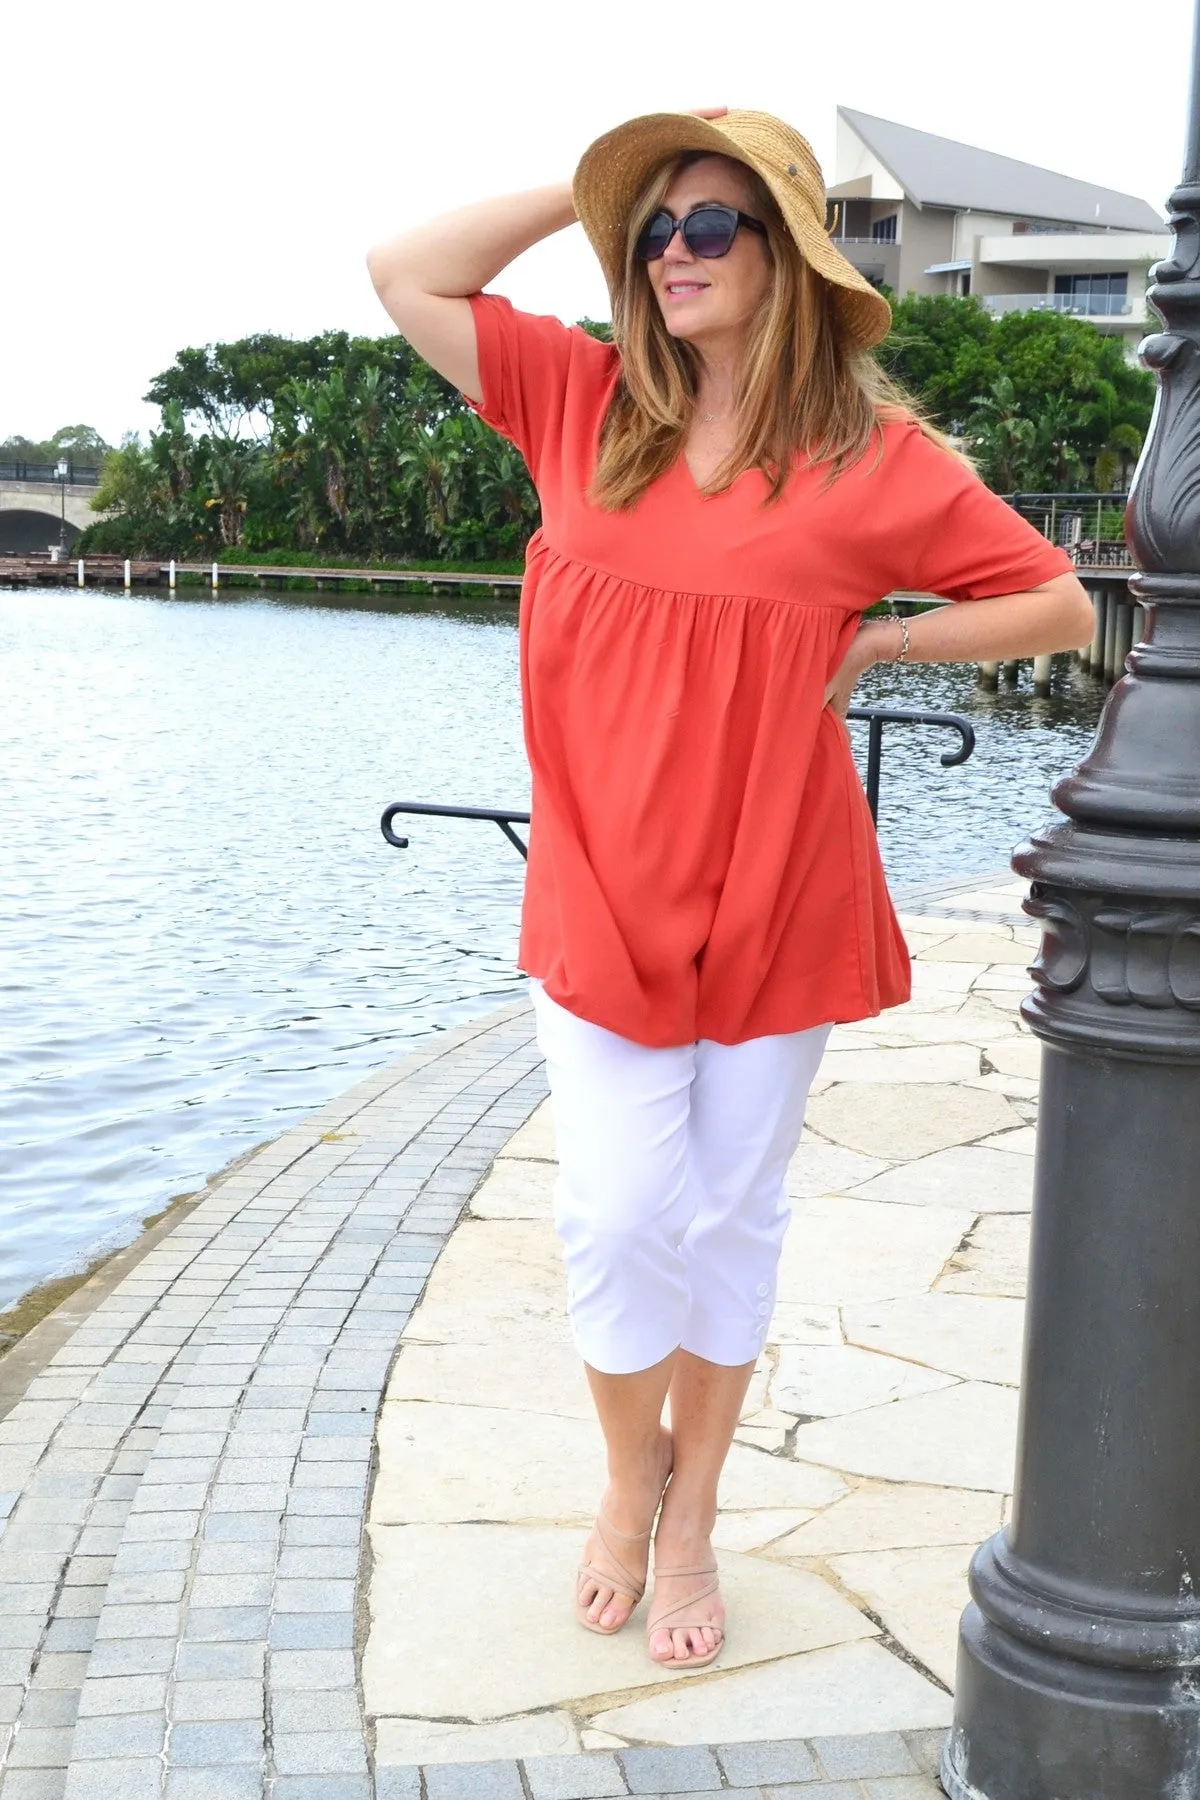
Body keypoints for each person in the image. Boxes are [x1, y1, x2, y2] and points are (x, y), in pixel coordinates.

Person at [366, 107, 1092, 1672]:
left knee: (730, 1220)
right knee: (620, 1218)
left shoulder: (870, 465)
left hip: (779, 894)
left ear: (787, 257)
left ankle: (690, 1525)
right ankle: (633, 1479)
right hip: (602, 896)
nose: (672, 256)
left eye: (710, 227)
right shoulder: (580, 403)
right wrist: (585, 197)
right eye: (656, 233)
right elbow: (406, 273)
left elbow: (1056, 598)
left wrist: (876, 643)